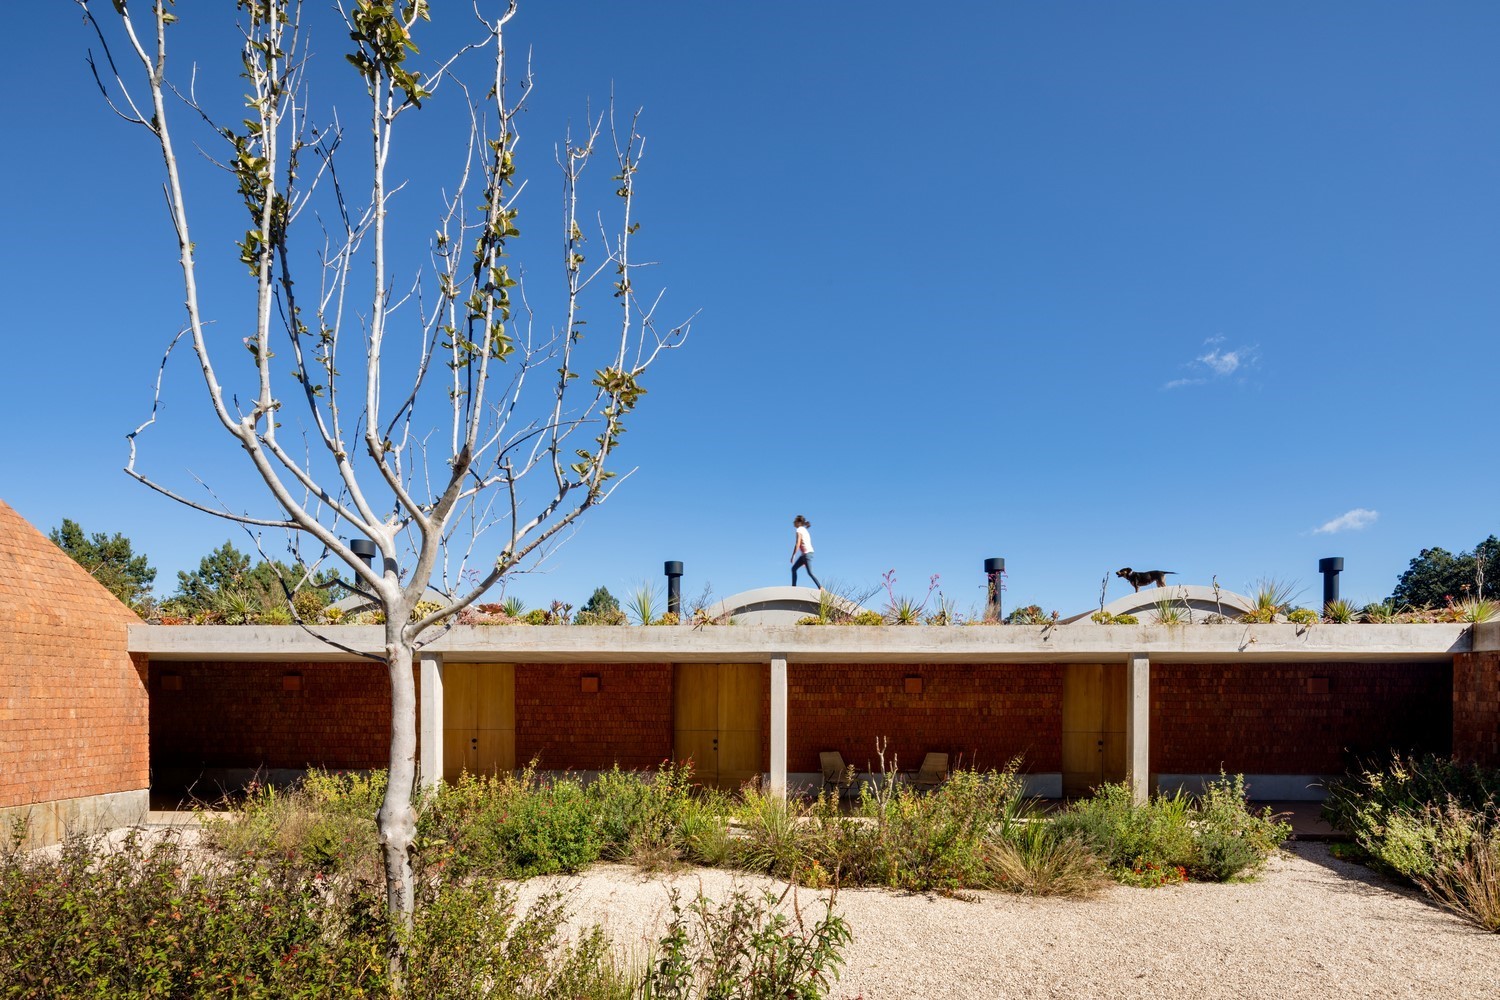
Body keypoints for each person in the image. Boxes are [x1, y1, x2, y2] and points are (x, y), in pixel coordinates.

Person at [790, 514, 822, 589]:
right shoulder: (804, 530)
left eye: (794, 521)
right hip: (806, 554)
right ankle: (793, 587)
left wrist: (793, 555)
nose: (793, 522)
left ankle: (820, 587)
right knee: (793, 569)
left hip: (806, 554)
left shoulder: (799, 530)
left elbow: (798, 543)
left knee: (810, 572)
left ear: (798, 522)